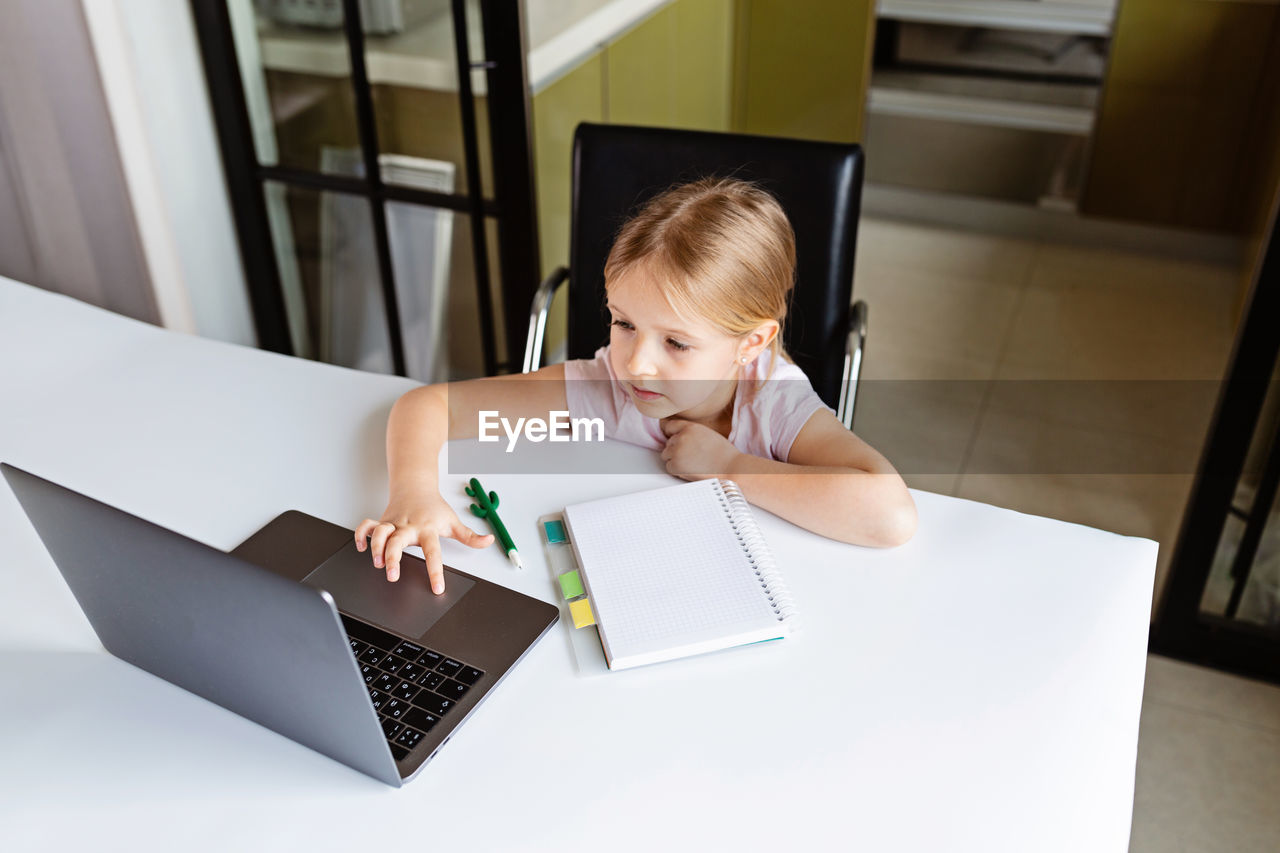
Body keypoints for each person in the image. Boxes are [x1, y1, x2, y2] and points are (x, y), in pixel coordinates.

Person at [356, 177, 916, 593]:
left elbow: (889, 515)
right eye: (623, 324)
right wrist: (413, 493)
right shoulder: (605, 388)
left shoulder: (772, 401)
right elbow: (430, 406)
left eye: (676, 343)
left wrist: (728, 468)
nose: (637, 365)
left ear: (751, 344)